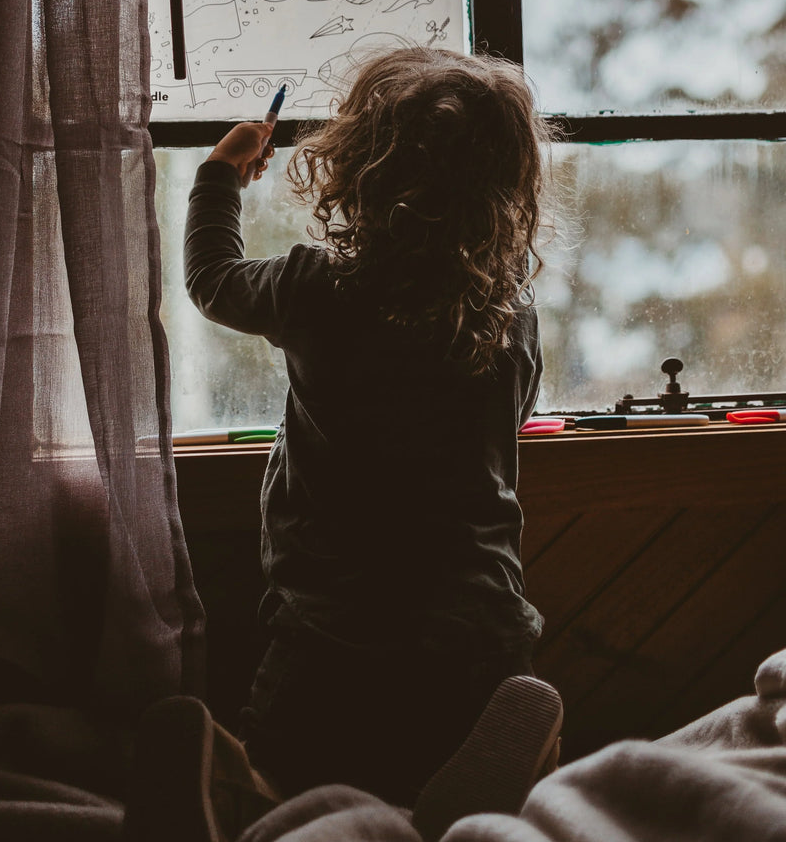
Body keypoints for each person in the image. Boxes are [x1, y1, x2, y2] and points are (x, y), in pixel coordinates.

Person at [125, 47, 561, 841]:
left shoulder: (318, 287)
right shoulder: (512, 317)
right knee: (444, 775)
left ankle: (237, 794)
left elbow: (213, 279)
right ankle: (463, 810)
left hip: (334, 622)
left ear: (358, 169)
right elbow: (513, 415)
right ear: (509, 186)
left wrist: (220, 175)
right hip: (482, 624)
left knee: (286, 777)